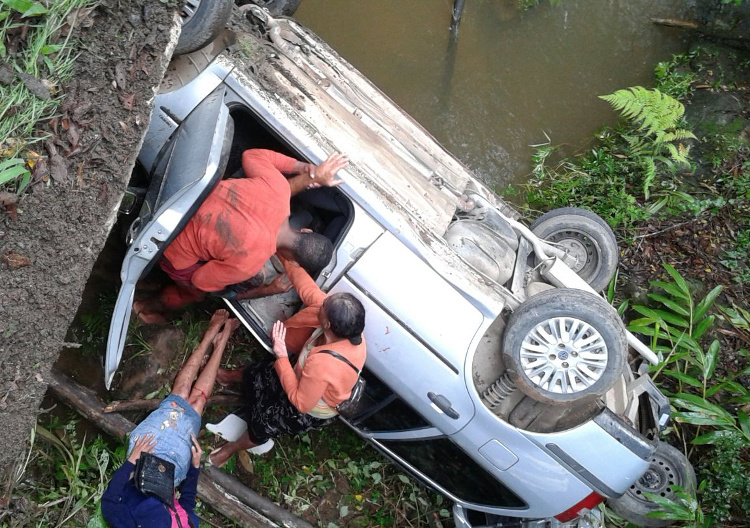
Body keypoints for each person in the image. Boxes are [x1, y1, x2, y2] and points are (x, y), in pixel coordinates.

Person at [134, 149, 349, 324]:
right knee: (195, 292)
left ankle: (146, 280)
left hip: (176, 196)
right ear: (291, 261)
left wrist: (306, 169)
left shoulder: (279, 188)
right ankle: (146, 308)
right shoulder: (249, 264)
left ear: (305, 231)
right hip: (168, 240)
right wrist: (261, 289)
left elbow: (251, 156)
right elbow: (200, 280)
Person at [207, 258, 367, 467]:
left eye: (324, 305)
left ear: (326, 323)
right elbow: (308, 289)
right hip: (302, 373)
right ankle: (226, 378)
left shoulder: (325, 364)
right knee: (261, 373)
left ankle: (229, 450)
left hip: (308, 405)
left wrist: (281, 354)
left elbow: (301, 402)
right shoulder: (347, 331)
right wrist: (288, 258)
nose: (322, 301)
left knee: (264, 424)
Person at [101, 310, 238, 528]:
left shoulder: (126, 524)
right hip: (174, 471)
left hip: (145, 458)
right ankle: (221, 341)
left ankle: (210, 335)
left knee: (181, 393)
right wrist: (194, 467)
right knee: (199, 401)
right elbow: (187, 505)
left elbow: (109, 503)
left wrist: (131, 461)